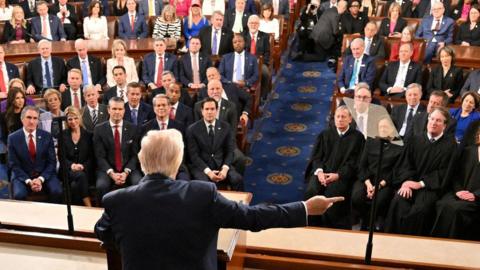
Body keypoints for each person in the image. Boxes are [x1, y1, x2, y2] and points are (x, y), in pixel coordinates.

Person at [95, 128, 344, 270]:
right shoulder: (202, 195)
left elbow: (103, 233)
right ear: (177, 162)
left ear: (141, 161)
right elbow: (253, 217)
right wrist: (305, 208)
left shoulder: (117, 200)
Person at [385, 107, 457, 236]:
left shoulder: (450, 145)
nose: (434, 123)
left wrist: (421, 184)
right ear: (428, 120)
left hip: (429, 188)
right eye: (432, 119)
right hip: (410, 183)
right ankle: (391, 242)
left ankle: (413, 247)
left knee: (420, 210)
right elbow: (405, 164)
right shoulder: (415, 139)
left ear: (445, 125)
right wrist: (407, 182)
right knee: (398, 201)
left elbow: (445, 172)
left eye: (439, 121)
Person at [305, 105, 365, 228]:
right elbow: (316, 157)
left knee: (333, 194)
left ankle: (329, 228)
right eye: (337, 116)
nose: (340, 119)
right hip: (322, 173)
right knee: (312, 189)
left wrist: (338, 175)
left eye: (343, 116)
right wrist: (320, 172)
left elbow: (355, 162)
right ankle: (311, 225)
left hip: (341, 176)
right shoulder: (325, 134)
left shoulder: (357, 138)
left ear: (350, 119)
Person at [351, 116, 403, 231]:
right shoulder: (371, 141)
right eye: (381, 127)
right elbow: (362, 165)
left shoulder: (400, 146)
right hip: (367, 178)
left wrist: (379, 186)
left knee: (379, 201)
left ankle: (368, 224)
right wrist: (369, 184)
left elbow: (396, 170)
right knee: (357, 197)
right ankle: (367, 220)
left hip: (386, 181)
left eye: (386, 127)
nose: (383, 129)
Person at [186, 97, 243, 191]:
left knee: (237, 179)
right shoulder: (192, 129)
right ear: (202, 111)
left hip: (221, 164)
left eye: (212, 109)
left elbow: (230, 151)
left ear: (217, 110)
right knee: (206, 186)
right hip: (201, 167)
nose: (209, 112)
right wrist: (208, 172)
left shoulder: (226, 127)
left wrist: (225, 169)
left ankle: (238, 204)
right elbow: (194, 156)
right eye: (207, 109)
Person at [8, 106, 62, 203]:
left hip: (44, 175)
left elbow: (52, 162)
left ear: (38, 120)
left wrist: (40, 179)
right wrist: (29, 181)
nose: (32, 121)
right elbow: (14, 165)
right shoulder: (13, 138)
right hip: (23, 176)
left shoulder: (47, 136)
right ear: (22, 119)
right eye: (29, 117)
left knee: (57, 191)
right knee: (19, 194)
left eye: (35, 118)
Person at [431, 132, 480, 239]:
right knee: (442, 204)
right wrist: (458, 190)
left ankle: (452, 245)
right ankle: (435, 241)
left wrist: (476, 195)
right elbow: (455, 174)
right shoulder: (468, 151)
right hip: (458, 192)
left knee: (456, 209)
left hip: (476, 198)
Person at [93, 97, 142, 202]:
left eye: (120, 109)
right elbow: (99, 156)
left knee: (138, 183)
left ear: (124, 110)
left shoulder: (133, 128)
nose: (117, 112)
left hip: (128, 168)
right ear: (108, 110)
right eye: (114, 109)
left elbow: (135, 155)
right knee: (101, 186)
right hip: (107, 169)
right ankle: (104, 214)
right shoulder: (99, 129)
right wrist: (112, 173)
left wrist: (126, 172)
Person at [140, 94, 190, 180]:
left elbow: (183, 151)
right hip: (153, 169)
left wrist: (175, 168)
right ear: (154, 108)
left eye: (164, 105)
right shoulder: (145, 128)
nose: (161, 108)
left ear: (169, 107)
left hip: (176, 166)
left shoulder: (180, 127)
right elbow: (144, 153)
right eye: (158, 105)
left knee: (184, 181)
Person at [62, 106, 94, 206]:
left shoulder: (88, 135)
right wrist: (72, 166)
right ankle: (89, 206)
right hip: (68, 171)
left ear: (79, 118)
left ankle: (77, 211)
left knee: (75, 185)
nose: (73, 121)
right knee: (80, 176)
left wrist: (83, 166)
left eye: (75, 118)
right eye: (70, 119)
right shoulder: (62, 135)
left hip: (85, 170)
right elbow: (61, 157)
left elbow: (91, 157)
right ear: (66, 121)